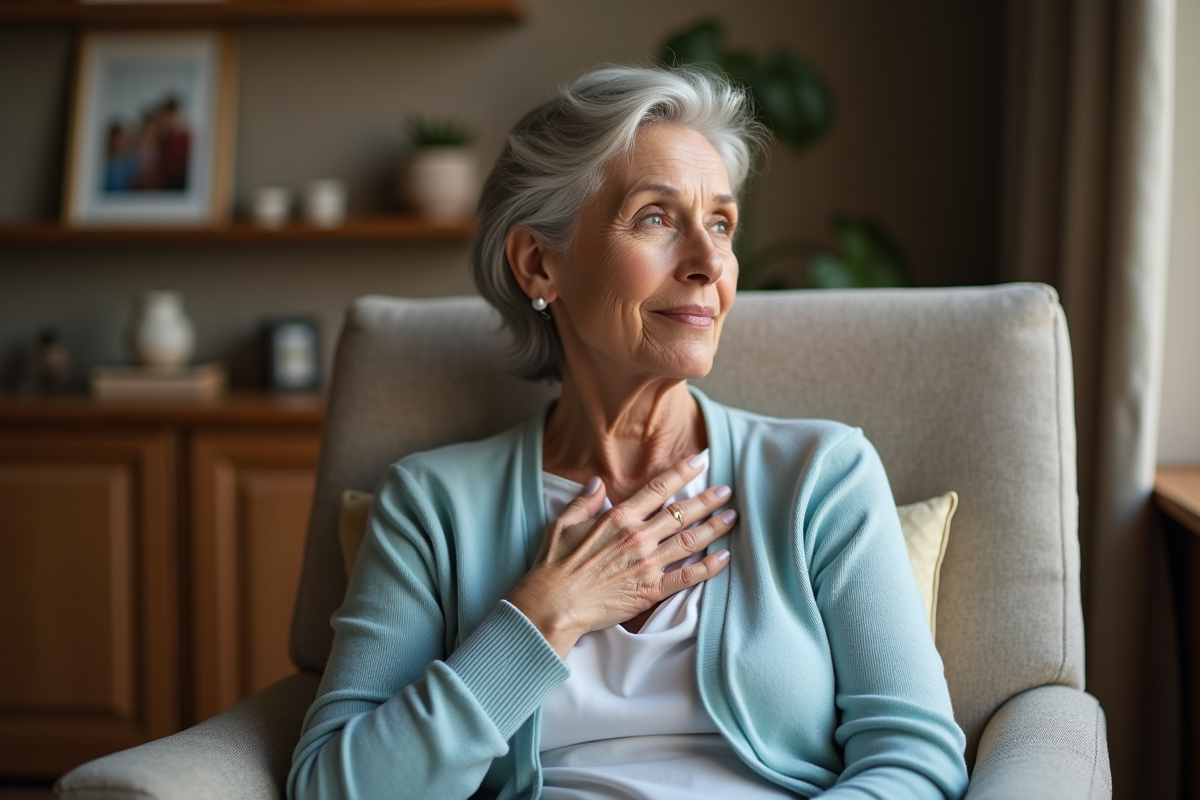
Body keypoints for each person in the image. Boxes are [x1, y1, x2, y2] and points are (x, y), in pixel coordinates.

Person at [288, 65, 969, 800]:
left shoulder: (819, 476)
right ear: (538, 263)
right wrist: (546, 613)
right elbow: (333, 787)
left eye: (720, 224)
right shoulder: (432, 504)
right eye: (655, 217)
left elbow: (916, 763)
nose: (710, 264)